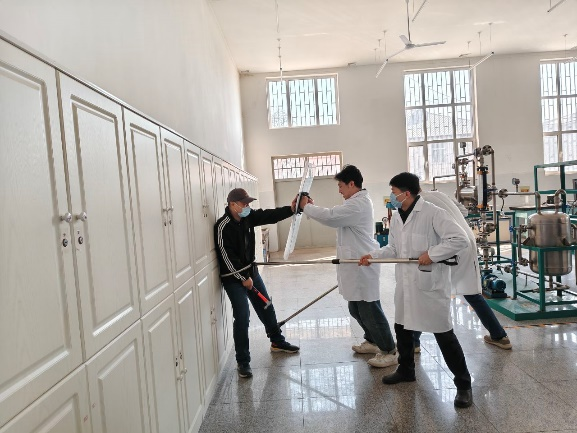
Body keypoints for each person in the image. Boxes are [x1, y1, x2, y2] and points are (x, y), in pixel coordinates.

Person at [359, 172, 474, 408]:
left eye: (394, 192)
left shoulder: (433, 213)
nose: (391, 196)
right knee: (402, 328)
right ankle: (406, 370)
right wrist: (373, 256)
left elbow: (459, 239)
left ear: (406, 193)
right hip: (406, 284)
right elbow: (394, 249)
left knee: (444, 335)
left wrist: (432, 254)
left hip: (430, 285)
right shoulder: (397, 217)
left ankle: (464, 385)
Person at [300, 165, 397, 368]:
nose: (339, 190)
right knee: (355, 308)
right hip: (354, 264)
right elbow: (333, 215)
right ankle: (372, 341)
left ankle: (389, 350)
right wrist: (309, 207)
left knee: (370, 310)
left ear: (352, 184)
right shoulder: (353, 203)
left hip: (363, 264)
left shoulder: (359, 204)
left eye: (341, 186)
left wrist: (306, 207)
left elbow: (331, 216)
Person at [214, 188, 305, 378]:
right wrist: (243, 278)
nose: (248, 206)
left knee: (266, 305)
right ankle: (243, 361)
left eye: (249, 203)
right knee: (243, 316)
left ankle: (277, 341)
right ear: (233, 204)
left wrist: (292, 209)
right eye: (244, 203)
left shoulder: (248, 217)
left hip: (251, 272)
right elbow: (226, 256)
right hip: (233, 277)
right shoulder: (222, 226)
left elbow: (269, 215)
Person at [411, 190, 512, 353]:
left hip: (451, 247)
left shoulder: (420, 203)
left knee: (426, 293)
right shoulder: (440, 194)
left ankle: (413, 342)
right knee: (472, 294)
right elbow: (464, 212)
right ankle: (499, 336)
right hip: (465, 242)